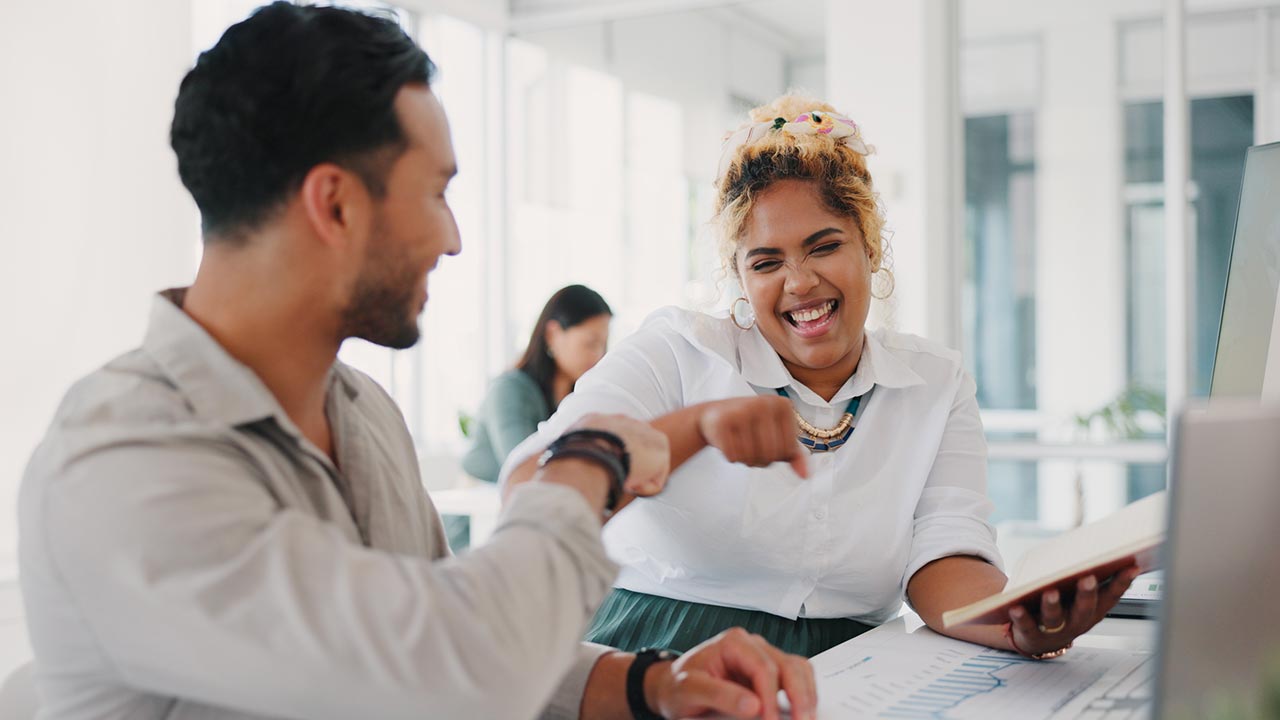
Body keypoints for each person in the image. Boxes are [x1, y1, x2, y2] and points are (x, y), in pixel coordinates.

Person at [16, 6, 816, 720]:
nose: (453, 237)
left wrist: (651, 686)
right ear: (334, 204)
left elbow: (437, 629)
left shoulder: (363, 411)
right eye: (436, 192)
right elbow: (463, 667)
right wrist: (591, 458)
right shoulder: (121, 463)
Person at [502, 94, 1139, 660]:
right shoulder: (677, 352)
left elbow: (945, 552)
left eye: (824, 246)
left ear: (871, 245)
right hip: (662, 651)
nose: (799, 282)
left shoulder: (935, 381)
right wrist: (692, 428)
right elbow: (534, 483)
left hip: (853, 665)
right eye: (766, 261)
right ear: (742, 277)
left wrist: (1014, 625)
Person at [463, 284, 612, 483]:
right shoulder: (509, 388)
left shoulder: (578, 394)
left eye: (604, 345)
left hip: (534, 500)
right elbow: (522, 465)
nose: (599, 356)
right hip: (477, 506)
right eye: (590, 344)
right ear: (553, 334)